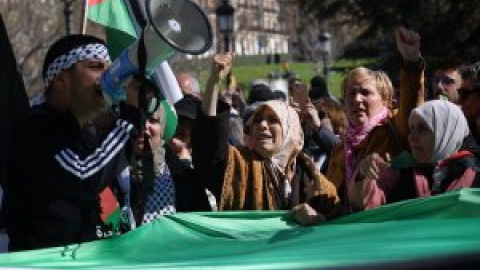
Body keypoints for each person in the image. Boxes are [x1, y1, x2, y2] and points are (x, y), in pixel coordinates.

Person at [3, 34, 140, 251]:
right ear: (61, 80)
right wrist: (128, 119)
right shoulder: (35, 128)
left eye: (109, 67)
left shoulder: (87, 130)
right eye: (95, 66)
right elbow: (85, 174)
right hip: (42, 263)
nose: (108, 76)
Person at [193, 53, 341, 226]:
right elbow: (208, 143)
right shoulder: (236, 165)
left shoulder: (314, 178)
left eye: (273, 120)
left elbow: (338, 225)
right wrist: (213, 83)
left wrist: (319, 220)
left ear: (290, 131)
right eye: (257, 120)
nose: (262, 125)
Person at [325, 27, 425, 211]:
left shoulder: (394, 128)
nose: (357, 99)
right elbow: (329, 198)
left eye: (365, 92)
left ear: (386, 99)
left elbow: (411, 102)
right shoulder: (340, 149)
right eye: (351, 93)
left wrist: (411, 62)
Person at [348, 100, 480, 210]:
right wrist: (363, 174)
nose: (412, 137)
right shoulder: (401, 168)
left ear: (447, 132)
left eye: (423, 128)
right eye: (412, 128)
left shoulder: (475, 172)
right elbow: (366, 204)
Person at [117, 80, 210, 228]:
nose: (144, 126)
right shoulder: (108, 175)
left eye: (153, 120)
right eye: (136, 118)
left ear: (163, 129)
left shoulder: (185, 179)